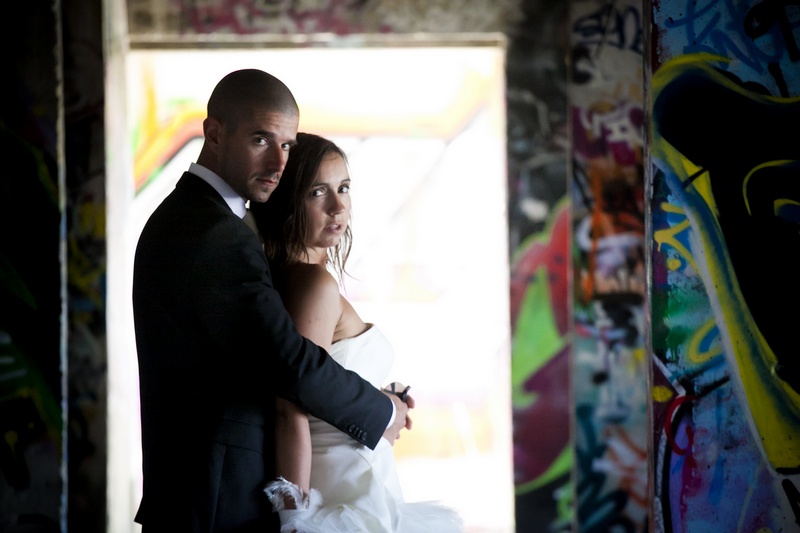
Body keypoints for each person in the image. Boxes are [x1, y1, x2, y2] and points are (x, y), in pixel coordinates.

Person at [131, 70, 410, 532]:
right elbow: (288, 362)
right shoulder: (213, 232)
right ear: (214, 134)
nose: (279, 161)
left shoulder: (203, 218)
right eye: (261, 139)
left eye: (286, 144)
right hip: (218, 502)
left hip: (206, 494)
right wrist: (380, 413)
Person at [251, 132, 463, 532]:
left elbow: (322, 383)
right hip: (342, 492)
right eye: (318, 192)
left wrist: (380, 402)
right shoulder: (313, 284)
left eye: (344, 188)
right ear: (288, 200)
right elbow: (290, 406)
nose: (338, 206)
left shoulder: (291, 279)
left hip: (357, 480)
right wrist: (294, 516)